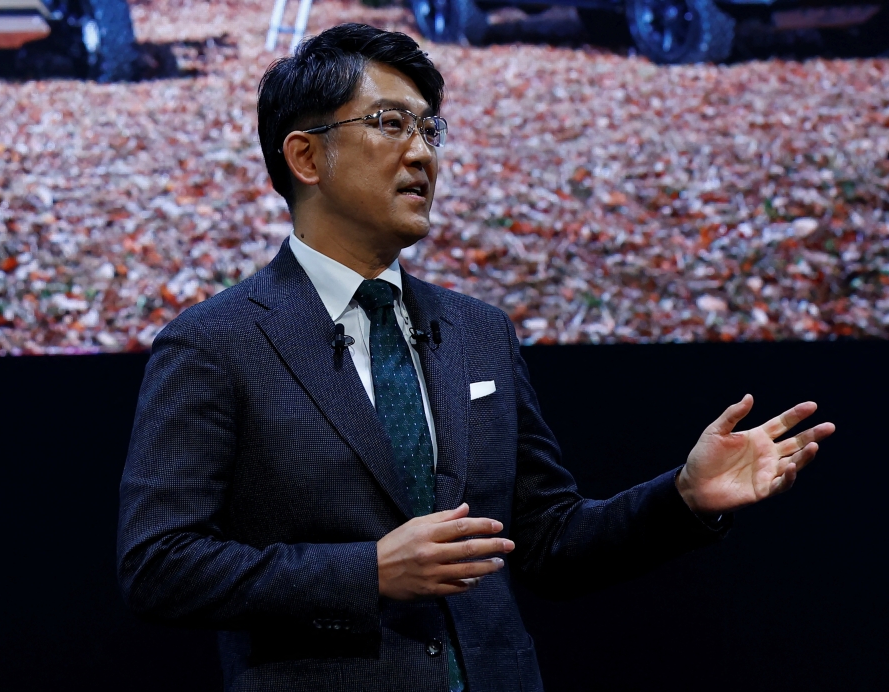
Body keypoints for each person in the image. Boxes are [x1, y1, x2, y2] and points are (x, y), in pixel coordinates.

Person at [117, 23, 836, 692]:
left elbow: (548, 540)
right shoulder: (217, 342)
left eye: (431, 129)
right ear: (305, 155)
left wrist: (680, 498)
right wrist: (365, 574)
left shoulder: (476, 330)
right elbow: (159, 565)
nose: (423, 152)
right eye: (391, 123)